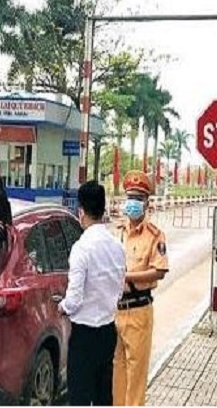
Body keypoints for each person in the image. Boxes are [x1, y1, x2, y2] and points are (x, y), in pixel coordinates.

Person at [58, 180, 126, 406]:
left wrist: (63, 306)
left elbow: (74, 300)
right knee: (103, 396)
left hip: (84, 336)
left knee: (79, 397)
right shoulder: (117, 246)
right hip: (108, 332)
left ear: (80, 211)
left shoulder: (81, 248)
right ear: (103, 208)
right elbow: (119, 290)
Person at [113, 171, 169, 406]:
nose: (133, 202)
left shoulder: (155, 235)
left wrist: (128, 277)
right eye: (130, 197)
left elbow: (160, 270)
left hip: (138, 310)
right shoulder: (117, 232)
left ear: (146, 203)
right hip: (115, 310)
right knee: (117, 370)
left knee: (136, 373)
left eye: (138, 198)